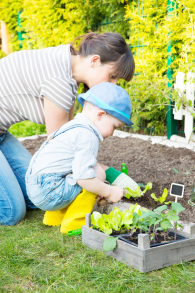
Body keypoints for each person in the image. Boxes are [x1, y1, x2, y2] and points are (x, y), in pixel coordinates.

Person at [0, 32, 134, 225]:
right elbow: (64, 152)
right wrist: (107, 178)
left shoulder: (66, 64)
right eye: (112, 76)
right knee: (11, 211)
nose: (112, 85)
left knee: (34, 197)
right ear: (95, 61)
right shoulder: (61, 82)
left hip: (1, 134)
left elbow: (73, 139)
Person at [25, 82, 133, 212]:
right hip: (50, 193)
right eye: (114, 127)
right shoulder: (87, 136)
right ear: (100, 115)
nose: (112, 133)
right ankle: (75, 219)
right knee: (98, 173)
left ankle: (56, 216)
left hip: (34, 186)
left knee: (92, 170)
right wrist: (109, 191)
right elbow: (83, 178)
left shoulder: (73, 126)